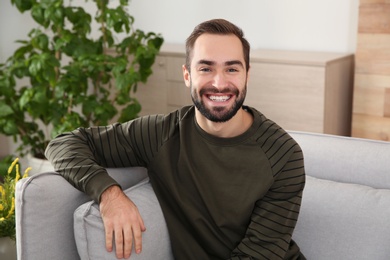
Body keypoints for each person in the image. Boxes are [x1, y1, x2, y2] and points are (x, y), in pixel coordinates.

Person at [45, 18, 306, 260]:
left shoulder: (283, 156)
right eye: (206, 68)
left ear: (247, 74)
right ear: (187, 75)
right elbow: (64, 143)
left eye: (232, 69)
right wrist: (108, 193)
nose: (219, 83)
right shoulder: (161, 134)